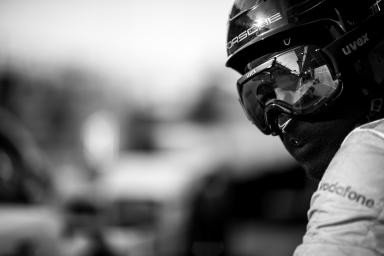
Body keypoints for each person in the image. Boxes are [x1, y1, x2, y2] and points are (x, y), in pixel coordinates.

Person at [225, 0, 384, 255]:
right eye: (258, 100)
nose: (280, 119)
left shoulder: (371, 157)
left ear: (371, 56)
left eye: (305, 82)